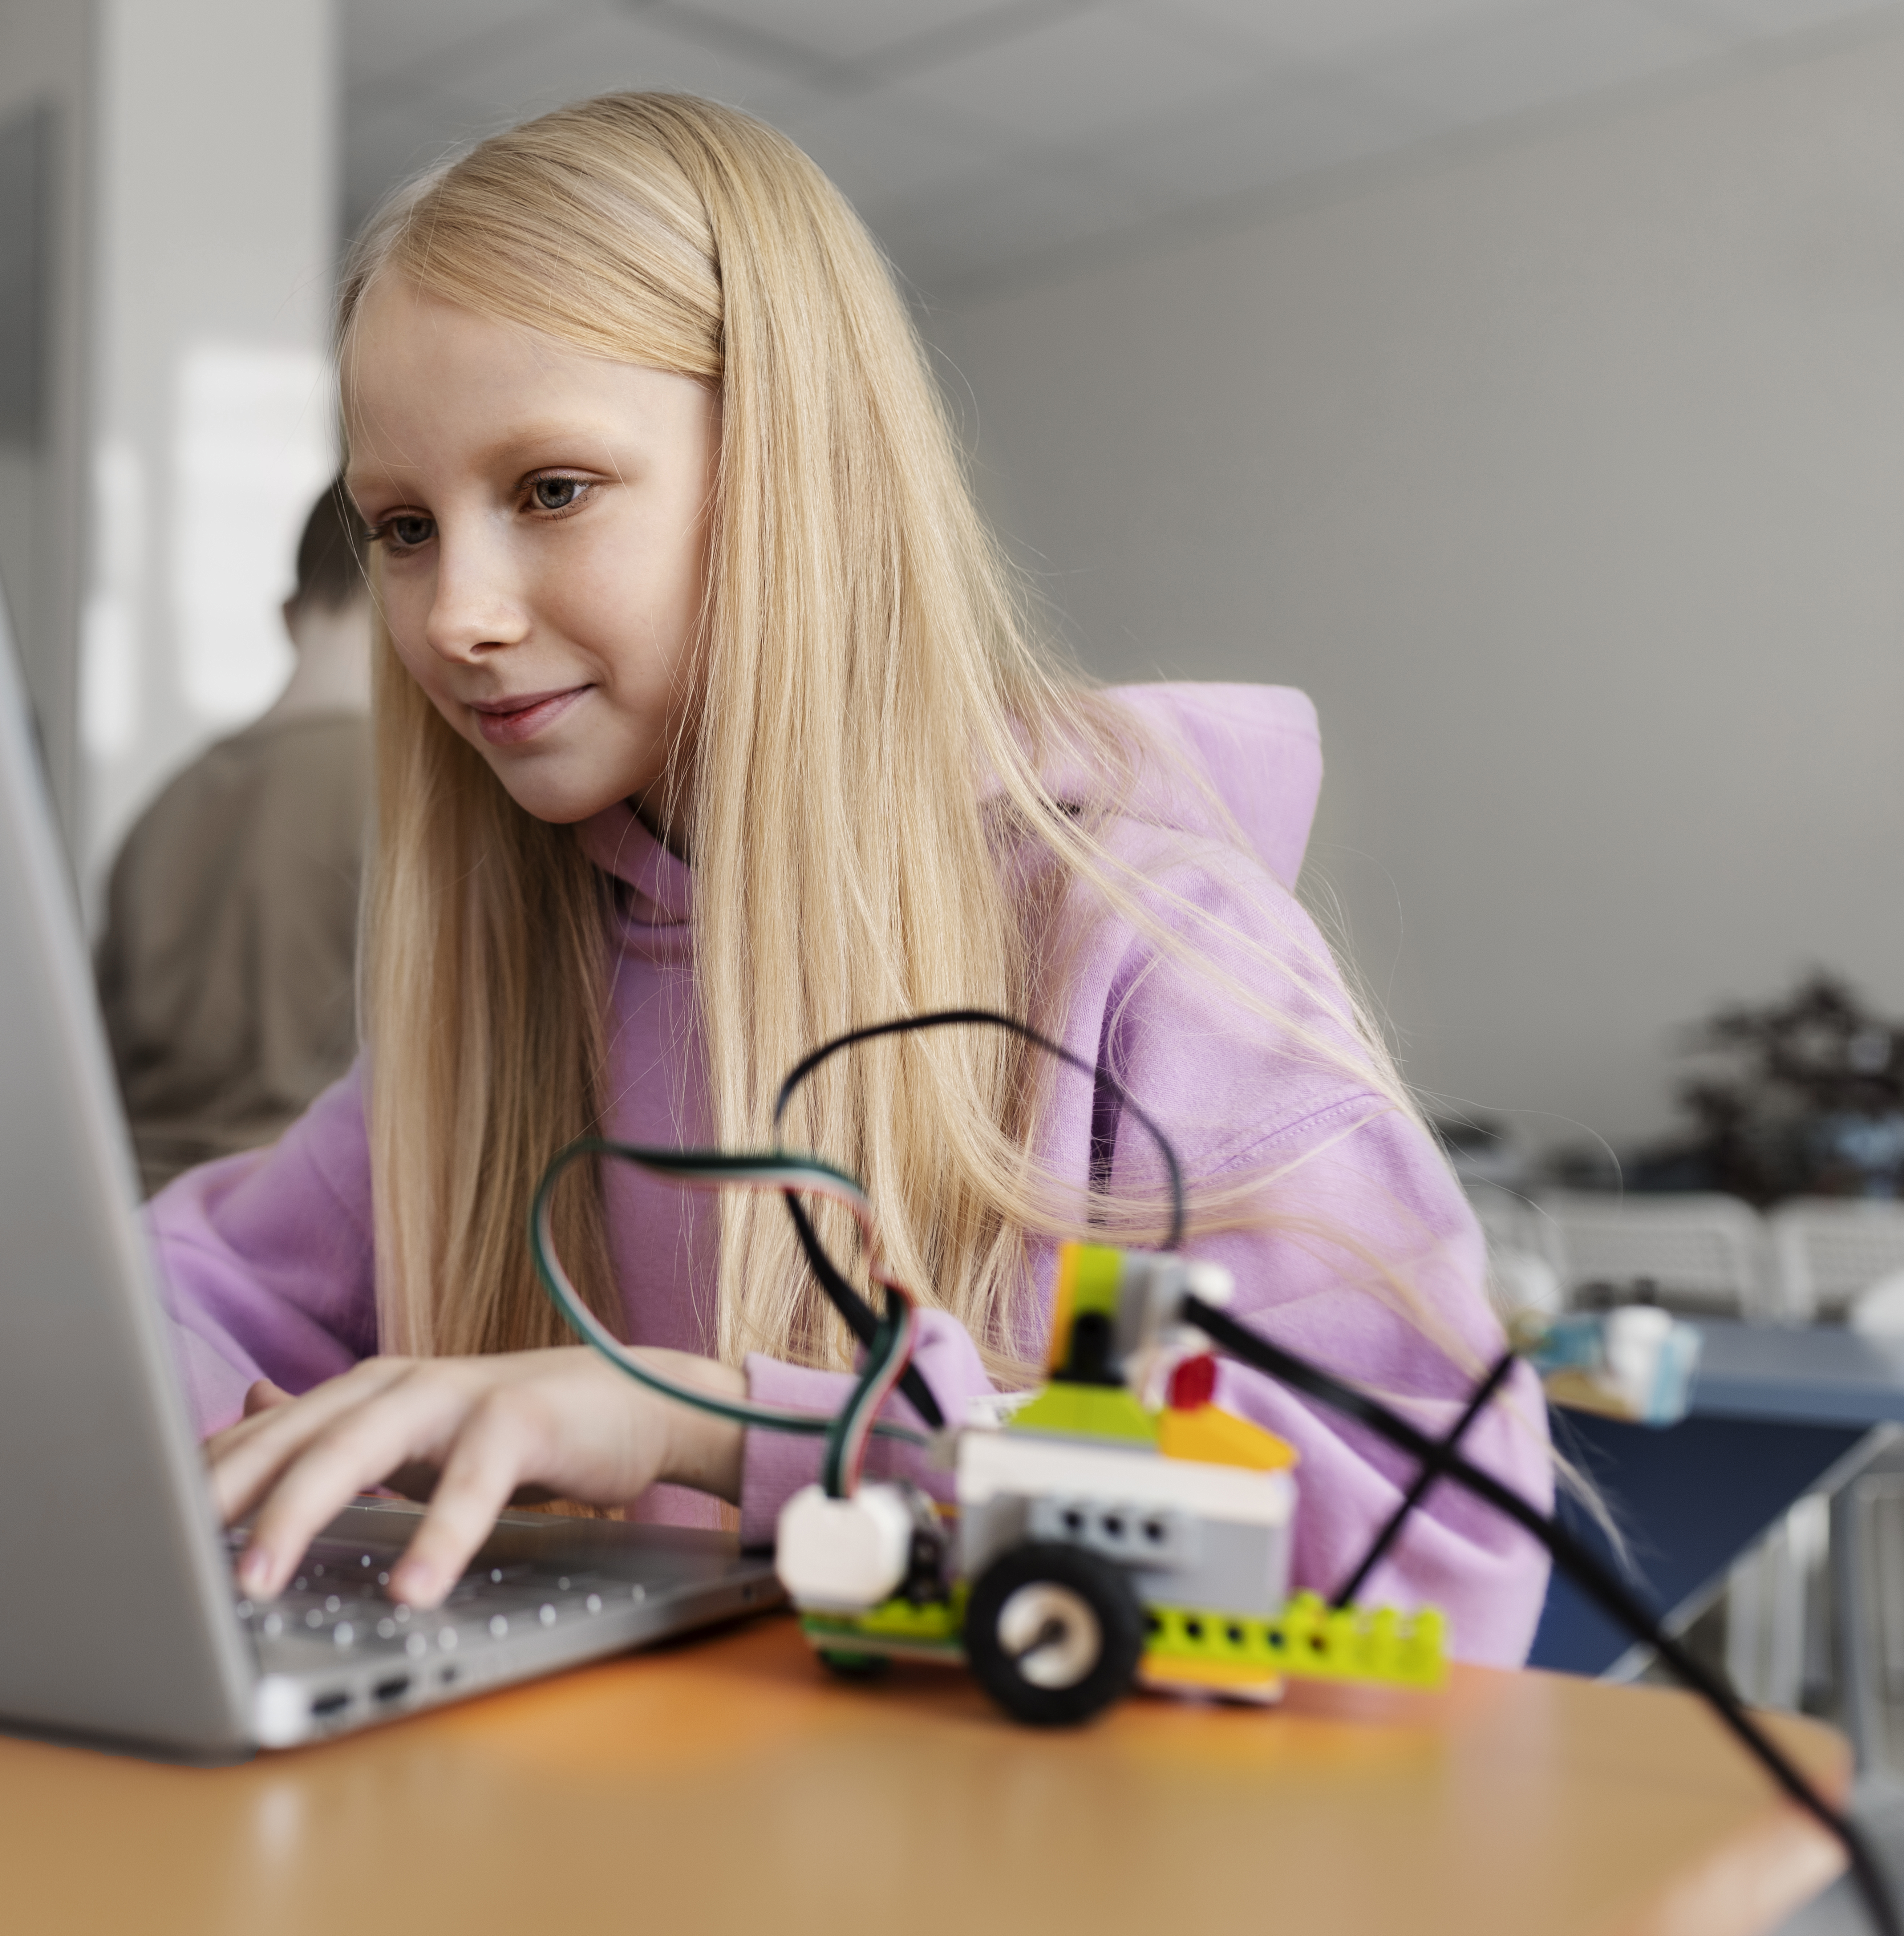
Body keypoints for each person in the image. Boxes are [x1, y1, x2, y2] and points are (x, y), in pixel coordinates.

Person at [149, 93, 1552, 1666]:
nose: (452, 614)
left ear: (793, 474)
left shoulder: (1151, 956)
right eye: (400, 528)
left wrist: (714, 1424)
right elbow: (154, 1303)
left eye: (549, 489)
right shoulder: (519, 980)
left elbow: (1438, 1554)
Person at [96, 484, 373, 1195]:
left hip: (143, 1229)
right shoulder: (410, 805)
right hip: (293, 1239)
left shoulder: (164, 807)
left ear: (288, 617)